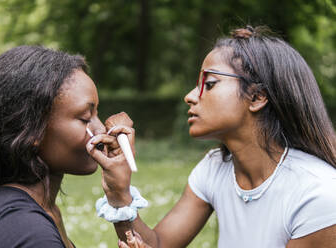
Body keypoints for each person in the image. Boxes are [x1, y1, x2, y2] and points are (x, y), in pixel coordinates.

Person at [87, 26, 336, 248]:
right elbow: (158, 244)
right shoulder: (215, 169)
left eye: (210, 83)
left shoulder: (318, 194)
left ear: (257, 97)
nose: (190, 96)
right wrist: (118, 192)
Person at [0, 45, 132, 247]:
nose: (100, 130)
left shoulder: (24, 207)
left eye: (96, 113)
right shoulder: (31, 233)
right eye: (85, 118)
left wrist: (119, 195)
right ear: (33, 130)